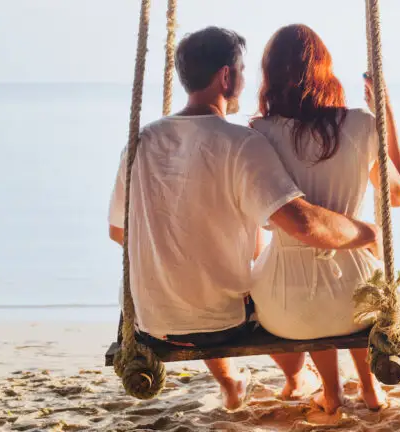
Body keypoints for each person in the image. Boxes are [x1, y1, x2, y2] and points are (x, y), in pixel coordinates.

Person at [106, 26, 382, 411]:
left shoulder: (142, 141)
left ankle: (235, 383)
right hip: (222, 325)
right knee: (254, 290)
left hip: (151, 322)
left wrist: (179, 257)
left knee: (213, 279)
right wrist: (365, 231)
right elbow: (304, 224)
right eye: (240, 69)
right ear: (226, 76)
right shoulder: (241, 143)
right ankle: (296, 377)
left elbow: (118, 231)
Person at [249, 24, 400, 414]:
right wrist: (385, 115)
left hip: (286, 309)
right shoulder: (360, 125)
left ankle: (332, 394)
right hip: (356, 297)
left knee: (311, 294)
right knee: (355, 292)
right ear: (325, 69)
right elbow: (398, 195)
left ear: (269, 74)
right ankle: (370, 392)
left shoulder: (259, 133)